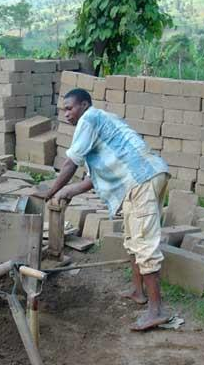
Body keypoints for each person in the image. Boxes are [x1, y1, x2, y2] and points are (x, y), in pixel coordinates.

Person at [40, 88, 170, 331]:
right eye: (63, 110)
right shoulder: (99, 122)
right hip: (143, 179)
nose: (66, 114)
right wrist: (67, 191)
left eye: (70, 108)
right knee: (133, 240)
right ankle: (137, 292)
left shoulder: (89, 119)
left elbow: (70, 163)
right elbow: (91, 179)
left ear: (85, 104)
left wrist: (49, 191)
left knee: (144, 245)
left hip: (141, 180)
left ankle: (156, 311)